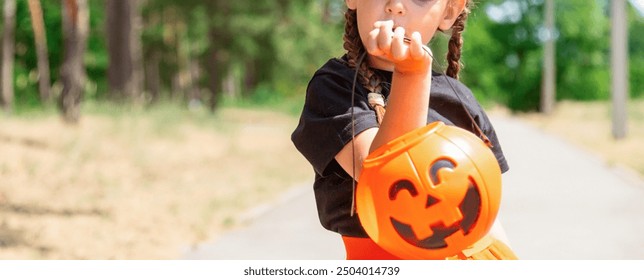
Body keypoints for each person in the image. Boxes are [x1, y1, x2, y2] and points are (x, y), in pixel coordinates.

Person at [291, 0, 517, 260]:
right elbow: (383, 182)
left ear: (449, 11)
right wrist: (411, 75)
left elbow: (484, 211)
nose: (396, 6)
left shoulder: (461, 98)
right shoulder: (336, 87)